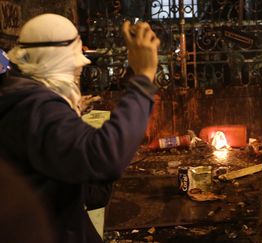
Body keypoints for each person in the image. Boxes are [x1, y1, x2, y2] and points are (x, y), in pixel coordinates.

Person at [0, 13, 160, 243]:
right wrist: (143, 80)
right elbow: (104, 156)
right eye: (74, 67)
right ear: (59, 60)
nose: (78, 71)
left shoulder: (19, 95)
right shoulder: (34, 107)